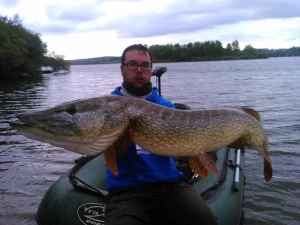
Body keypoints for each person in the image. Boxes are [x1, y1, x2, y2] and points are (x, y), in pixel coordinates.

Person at [104, 44, 217, 225]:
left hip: (169, 185)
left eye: (145, 65)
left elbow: (186, 144)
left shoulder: (166, 108)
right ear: (122, 69)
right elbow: (106, 152)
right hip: (126, 191)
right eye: (132, 64)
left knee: (205, 220)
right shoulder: (108, 108)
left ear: (150, 69)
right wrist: (118, 147)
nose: (139, 70)